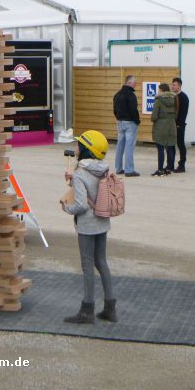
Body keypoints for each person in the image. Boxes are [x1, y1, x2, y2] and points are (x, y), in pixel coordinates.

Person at [61, 130, 117, 324]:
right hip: (103, 220)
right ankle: (110, 308)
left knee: (87, 265)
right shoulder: (103, 169)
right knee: (101, 261)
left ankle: (87, 310)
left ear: (85, 149)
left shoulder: (79, 174)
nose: (75, 147)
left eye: (78, 144)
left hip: (86, 225)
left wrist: (67, 208)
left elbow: (81, 205)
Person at [113, 75, 141, 177]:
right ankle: (129, 170)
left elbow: (115, 110)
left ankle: (119, 168)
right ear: (129, 83)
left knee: (119, 146)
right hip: (130, 123)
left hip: (120, 122)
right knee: (129, 147)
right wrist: (137, 121)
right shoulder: (131, 95)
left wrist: (118, 117)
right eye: (135, 83)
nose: (135, 85)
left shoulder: (117, 95)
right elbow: (134, 110)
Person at [151, 83, 178, 176]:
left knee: (160, 148)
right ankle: (169, 168)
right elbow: (176, 114)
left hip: (160, 127)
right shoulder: (175, 99)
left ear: (162, 90)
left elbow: (154, 116)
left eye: (159, 90)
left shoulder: (158, 100)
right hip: (171, 126)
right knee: (170, 148)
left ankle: (160, 169)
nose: (158, 92)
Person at [172, 77, 189, 173]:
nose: (172, 87)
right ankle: (170, 164)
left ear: (179, 85)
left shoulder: (183, 97)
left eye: (174, 85)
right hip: (172, 125)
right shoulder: (173, 96)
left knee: (181, 145)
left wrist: (179, 124)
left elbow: (183, 113)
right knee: (171, 145)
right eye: (172, 85)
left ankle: (182, 165)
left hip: (179, 126)